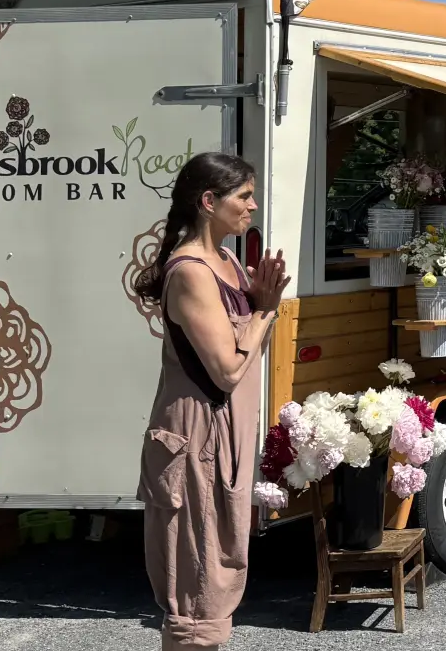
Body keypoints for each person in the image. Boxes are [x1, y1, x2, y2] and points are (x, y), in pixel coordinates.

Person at [135, 152, 290, 650]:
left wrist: (260, 307)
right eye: (243, 196)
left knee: (218, 573)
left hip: (225, 436)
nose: (253, 206)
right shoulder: (192, 272)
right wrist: (264, 311)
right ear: (208, 202)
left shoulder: (226, 261)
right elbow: (225, 370)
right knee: (196, 587)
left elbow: (242, 352)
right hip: (195, 438)